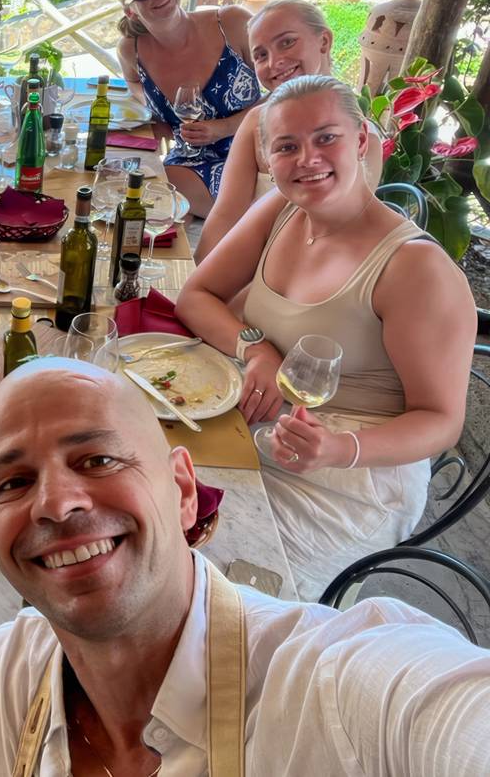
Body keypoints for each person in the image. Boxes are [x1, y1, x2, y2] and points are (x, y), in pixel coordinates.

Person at [0, 357, 490, 776]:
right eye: (13, 483)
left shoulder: (338, 696)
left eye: (98, 460)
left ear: (184, 490)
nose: (54, 503)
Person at [176, 75, 475, 600]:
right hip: (260, 425)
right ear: (268, 159)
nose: (307, 159)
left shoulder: (414, 268)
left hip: (354, 475)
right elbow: (195, 296)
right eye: (286, 146)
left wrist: (338, 448)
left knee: (194, 582)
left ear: (359, 141)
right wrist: (255, 348)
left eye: (326, 138)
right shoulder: (282, 209)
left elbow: (441, 421)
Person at [196, 0, 383, 261]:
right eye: (261, 55)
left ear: (324, 41)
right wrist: (197, 276)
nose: (275, 62)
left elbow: (336, 239)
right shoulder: (256, 121)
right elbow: (225, 215)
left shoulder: (362, 139)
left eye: (287, 42)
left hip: (306, 272)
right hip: (242, 263)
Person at [115, 0, 260, 218]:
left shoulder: (232, 23)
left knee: (166, 207)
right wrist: (153, 108)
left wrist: (225, 127)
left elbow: (285, 90)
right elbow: (133, 81)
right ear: (130, 11)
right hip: (188, 163)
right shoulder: (131, 50)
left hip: (255, 153)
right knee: (148, 199)